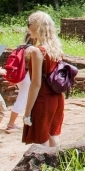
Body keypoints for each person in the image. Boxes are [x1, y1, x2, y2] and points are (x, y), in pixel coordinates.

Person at [22, 11, 65, 148]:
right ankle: (59, 166)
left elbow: (36, 83)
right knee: (53, 133)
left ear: (35, 26)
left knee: (41, 137)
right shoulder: (56, 49)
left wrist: (27, 111)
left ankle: (45, 167)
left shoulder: (37, 51)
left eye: (29, 25)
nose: (28, 28)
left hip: (43, 99)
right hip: (57, 97)